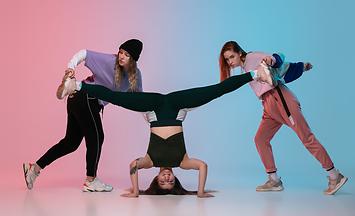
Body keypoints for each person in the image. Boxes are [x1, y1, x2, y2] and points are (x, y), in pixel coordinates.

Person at [57, 62, 273, 197]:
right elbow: (203, 166)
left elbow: (134, 165)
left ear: (156, 180)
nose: (167, 179)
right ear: (175, 181)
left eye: (162, 182)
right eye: (171, 183)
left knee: (118, 98)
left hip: (154, 108)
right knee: (216, 90)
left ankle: (76, 86)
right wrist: (199, 193)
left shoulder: (150, 162)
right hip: (178, 106)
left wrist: (135, 191)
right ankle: (257, 74)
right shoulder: (183, 162)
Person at [219, 41, 348, 195]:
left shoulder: (252, 57)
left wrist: (272, 60)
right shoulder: (245, 66)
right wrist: (301, 67)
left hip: (281, 100)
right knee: (260, 139)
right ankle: (274, 180)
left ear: (240, 52)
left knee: (306, 137)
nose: (230, 62)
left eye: (231, 57)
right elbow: (279, 70)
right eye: (227, 59)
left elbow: (277, 57)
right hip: (268, 105)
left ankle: (335, 175)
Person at [23, 39, 144, 192]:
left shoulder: (136, 76)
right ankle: (91, 180)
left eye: (126, 55)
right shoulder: (110, 61)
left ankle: (33, 169)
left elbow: (140, 99)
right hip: (85, 97)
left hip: (78, 100)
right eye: (120, 52)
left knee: (70, 143)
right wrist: (70, 69)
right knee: (97, 137)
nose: (121, 57)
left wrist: (150, 115)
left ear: (133, 60)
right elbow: (84, 53)